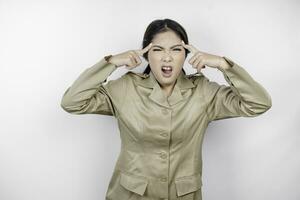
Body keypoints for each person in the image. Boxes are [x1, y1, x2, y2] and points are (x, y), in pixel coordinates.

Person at [60, 18, 272, 200]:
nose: (167, 57)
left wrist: (224, 65)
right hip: (131, 195)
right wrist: (112, 62)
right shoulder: (125, 88)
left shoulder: (203, 91)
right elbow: (72, 102)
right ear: (146, 55)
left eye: (176, 49)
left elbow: (258, 103)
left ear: (186, 55)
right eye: (158, 50)